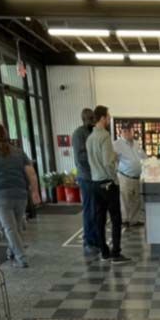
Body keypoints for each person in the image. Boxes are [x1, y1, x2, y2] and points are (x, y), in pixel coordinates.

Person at [0, 122, 41, 269]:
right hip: (20, 195)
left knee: (10, 229)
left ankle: (22, 258)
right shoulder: (19, 153)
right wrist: (35, 192)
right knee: (15, 227)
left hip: (1, 197)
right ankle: (11, 252)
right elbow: (31, 174)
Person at [87, 105, 129, 263]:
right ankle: (116, 252)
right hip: (108, 183)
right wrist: (114, 177)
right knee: (116, 219)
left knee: (100, 219)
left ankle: (104, 252)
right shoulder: (104, 136)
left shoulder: (90, 138)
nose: (110, 118)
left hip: (95, 183)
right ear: (103, 118)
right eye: (108, 116)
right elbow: (107, 162)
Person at [72, 108, 98, 255]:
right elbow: (81, 158)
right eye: (89, 118)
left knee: (96, 211)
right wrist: (96, 161)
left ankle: (94, 239)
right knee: (89, 211)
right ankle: (88, 241)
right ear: (84, 118)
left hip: (95, 177)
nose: (92, 121)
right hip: (87, 177)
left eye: (93, 118)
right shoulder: (79, 134)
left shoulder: (92, 132)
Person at [114, 122, 147, 227]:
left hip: (136, 177)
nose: (127, 133)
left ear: (133, 131)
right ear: (121, 132)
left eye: (129, 130)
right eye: (125, 131)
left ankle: (134, 220)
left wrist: (149, 163)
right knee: (125, 199)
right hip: (125, 177)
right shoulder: (116, 144)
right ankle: (125, 220)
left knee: (136, 200)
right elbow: (112, 160)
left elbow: (143, 156)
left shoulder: (136, 143)